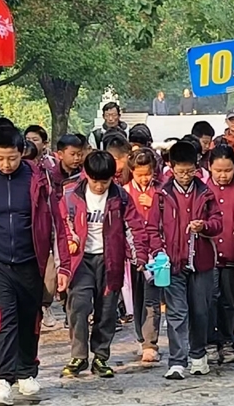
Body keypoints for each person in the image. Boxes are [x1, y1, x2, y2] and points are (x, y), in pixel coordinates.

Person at [0, 126, 71, 405]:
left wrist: (63, 266)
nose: (6, 164)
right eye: (0, 159)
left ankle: (26, 372)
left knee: (27, 319)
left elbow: (56, 226)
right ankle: (3, 380)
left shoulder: (39, 182)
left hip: (31, 262)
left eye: (12, 158)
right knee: (1, 320)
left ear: (22, 153)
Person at [60, 151, 148, 378]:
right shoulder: (71, 194)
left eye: (105, 181)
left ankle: (100, 356)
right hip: (81, 260)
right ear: (86, 175)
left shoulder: (120, 197)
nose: (99, 186)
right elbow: (61, 224)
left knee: (107, 310)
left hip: (111, 260)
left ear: (112, 178)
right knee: (78, 306)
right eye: (95, 181)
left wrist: (140, 255)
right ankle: (78, 355)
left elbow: (135, 227)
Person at [145, 141, 222, 380]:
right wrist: (159, 252)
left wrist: (205, 226)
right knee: (177, 312)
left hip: (201, 263)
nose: (186, 176)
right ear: (171, 167)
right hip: (171, 263)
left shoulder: (206, 192)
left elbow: (218, 223)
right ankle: (177, 361)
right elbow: (151, 229)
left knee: (200, 310)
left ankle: (198, 356)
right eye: (181, 171)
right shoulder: (161, 195)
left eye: (190, 171)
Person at [205, 145, 234, 365]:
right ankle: (210, 342)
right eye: (218, 171)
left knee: (228, 301)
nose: (223, 175)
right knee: (209, 300)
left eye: (228, 170)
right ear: (209, 168)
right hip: (210, 254)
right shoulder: (202, 188)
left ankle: (227, 343)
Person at [124, 148, 163, 363]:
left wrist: (156, 204)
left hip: (156, 252)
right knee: (136, 297)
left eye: (147, 173)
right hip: (131, 253)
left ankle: (151, 342)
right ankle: (140, 336)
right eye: (139, 174)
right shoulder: (123, 191)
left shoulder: (161, 191)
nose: (144, 178)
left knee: (152, 298)